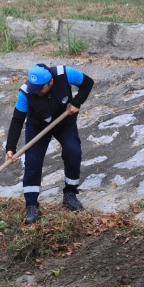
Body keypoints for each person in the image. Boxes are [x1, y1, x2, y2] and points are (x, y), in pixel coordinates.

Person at [5, 64, 94, 224]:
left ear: (51, 82)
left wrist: (77, 102)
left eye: (40, 88)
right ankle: (31, 205)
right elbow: (17, 120)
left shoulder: (65, 73)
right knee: (32, 162)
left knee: (73, 151)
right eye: (34, 88)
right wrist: (10, 148)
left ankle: (70, 194)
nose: (36, 91)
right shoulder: (26, 91)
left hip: (64, 123)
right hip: (38, 126)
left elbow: (88, 82)